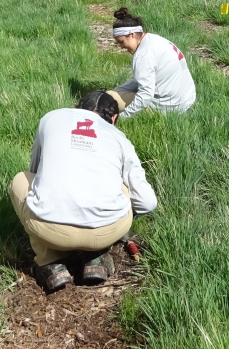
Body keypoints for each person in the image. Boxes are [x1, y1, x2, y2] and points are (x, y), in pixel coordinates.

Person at [9, 91, 157, 292]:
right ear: (113, 118)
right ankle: (95, 256)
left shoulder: (51, 117)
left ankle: (50, 263)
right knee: (122, 186)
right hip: (106, 232)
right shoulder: (120, 138)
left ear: (77, 109)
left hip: (51, 232)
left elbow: (34, 170)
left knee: (20, 180)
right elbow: (148, 202)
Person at [108, 8, 196, 119]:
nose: (121, 47)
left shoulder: (143, 56)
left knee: (106, 99)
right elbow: (140, 79)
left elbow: (145, 95)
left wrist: (122, 117)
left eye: (121, 42)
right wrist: (118, 90)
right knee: (114, 94)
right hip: (186, 100)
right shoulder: (155, 40)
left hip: (165, 108)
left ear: (131, 35)